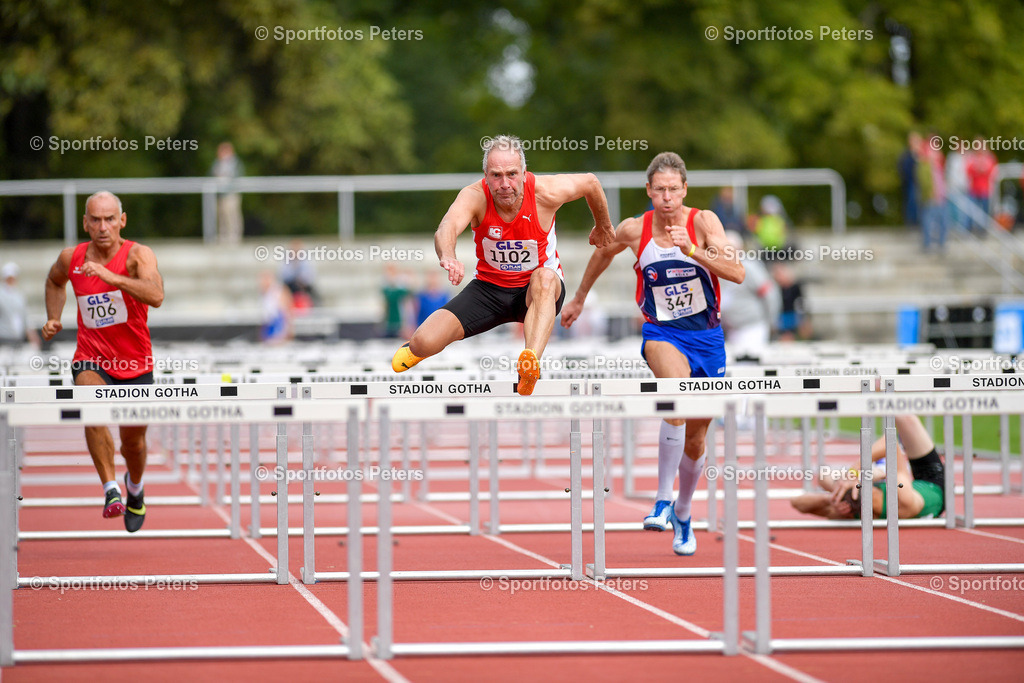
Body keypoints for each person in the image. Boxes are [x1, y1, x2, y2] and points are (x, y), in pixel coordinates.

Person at [561, 151, 745, 555]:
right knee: (674, 399)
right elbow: (602, 253)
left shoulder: (704, 222)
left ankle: (682, 510)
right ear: (648, 190)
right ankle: (661, 501)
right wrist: (577, 298)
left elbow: (737, 273)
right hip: (661, 333)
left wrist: (693, 251)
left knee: (696, 442)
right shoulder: (634, 229)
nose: (666, 197)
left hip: (708, 340)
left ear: (684, 190)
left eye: (673, 190)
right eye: (659, 189)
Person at [391, 134, 615, 395]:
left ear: (524, 173)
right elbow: (446, 228)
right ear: (485, 175)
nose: (505, 184)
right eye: (496, 175)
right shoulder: (475, 196)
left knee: (544, 276)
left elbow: (591, 182)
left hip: (536, 291)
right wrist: (448, 255)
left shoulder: (546, 191)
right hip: (488, 290)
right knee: (423, 342)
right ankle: (417, 348)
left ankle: (529, 364)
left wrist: (603, 225)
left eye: (511, 174)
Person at [41, 191, 164, 532]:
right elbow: (54, 280)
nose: (103, 226)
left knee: (133, 444)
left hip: (135, 364)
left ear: (122, 221)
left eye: (110, 218)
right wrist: (54, 316)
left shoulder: (138, 255)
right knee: (90, 403)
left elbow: (156, 296)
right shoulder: (72, 257)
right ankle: (111, 489)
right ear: (85, 223)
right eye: (95, 219)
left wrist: (114, 278)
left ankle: (134, 489)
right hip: (91, 358)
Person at [791, 415, 945, 520]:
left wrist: (832, 499)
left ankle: (877, 471)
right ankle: (879, 471)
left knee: (825, 478)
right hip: (933, 480)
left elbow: (797, 502)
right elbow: (889, 442)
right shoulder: (903, 498)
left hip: (881, 486)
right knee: (906, 418)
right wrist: (854, 472)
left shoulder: (853, 512)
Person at [719, 232, 780, 354]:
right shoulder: (722, 268)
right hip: (731, 330)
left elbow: (769, 294)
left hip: (752, 328)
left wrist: (772, 321)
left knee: (749, 368)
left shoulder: (749, 267)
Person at [210, 141, 244, 244]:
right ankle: (223, 236)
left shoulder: (236, 163)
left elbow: (238, 176)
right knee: (221, 215)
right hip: (220, 194)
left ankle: (234, 237)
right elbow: (212, 174)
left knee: (232, 215)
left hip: (231, 193)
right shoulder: (217, 163)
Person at [0, 262, 40, 346]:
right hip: (3, 338)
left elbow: (25, 317)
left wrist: (33, 337)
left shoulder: (19, 296)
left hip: (17, 338)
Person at [965, 139, 998, 234]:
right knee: (972, 210)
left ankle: (983, 230)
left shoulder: (989, 157)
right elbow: (968, 170)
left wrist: (981, 169)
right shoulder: (972, 157)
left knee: (984, 211)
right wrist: (978, 169)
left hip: (985, 189)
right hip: (974, 189)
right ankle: (971, 228)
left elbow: (991, 170)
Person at [279, 238, 318, 310]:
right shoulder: (286, 261)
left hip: (303, 286)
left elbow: (310, 276)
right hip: (290, 286)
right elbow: (284, 276)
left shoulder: (306, 261)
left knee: (314, 294)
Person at [259, 270, 293, 344]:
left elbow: (286, 311)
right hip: (269, 323)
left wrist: (287, 328)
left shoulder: (278, 291)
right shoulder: (264, 293)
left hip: (278, 323)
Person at [381, 263, 412, 338]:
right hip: (389, 322)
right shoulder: (386, 288)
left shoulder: (401, 289)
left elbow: (407, 304)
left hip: (400, 323)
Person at [898, 132, 921, 228]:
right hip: (910, 183)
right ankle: (911, 223)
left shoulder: (920, 155)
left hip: (919, 184)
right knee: (911, 203)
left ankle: (918, 222)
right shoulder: (906, 155)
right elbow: (904, 169)